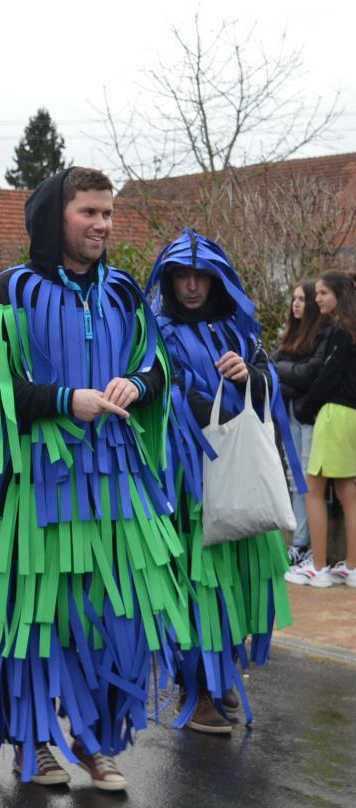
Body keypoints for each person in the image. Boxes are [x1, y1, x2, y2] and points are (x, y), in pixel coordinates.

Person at [0, 167, 188, 790]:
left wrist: (139, 384)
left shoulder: (125, 292)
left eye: (108, 213)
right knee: (38, 618)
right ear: (57, 215)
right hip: (41, 487)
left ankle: (95, 742)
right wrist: (65, 400)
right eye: (89, 212)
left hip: (117, 481)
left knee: (118, 615)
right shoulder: (12, 290)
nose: (102, 225)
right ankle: (34, 744)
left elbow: (157, 367)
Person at [146, 229, 297, 732]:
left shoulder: (240, 330)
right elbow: (156, 392)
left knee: (238, 580)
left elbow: (268, 381)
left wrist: (248, 376)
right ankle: (197, 689)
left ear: (216, 279)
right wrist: (198, 415)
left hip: (240, 476)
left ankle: (221, 670)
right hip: (190, 481)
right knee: (199, 584)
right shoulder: (155, 331)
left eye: (201, 276)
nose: (192, 286)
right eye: (182, 277)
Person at [288, 271, 356, 588]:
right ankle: (352, 567)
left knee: (313, 489)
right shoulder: (351, 330)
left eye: (323, 293)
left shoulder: (340, 331)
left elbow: (327, 376)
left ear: (339, 295)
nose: (317, 299)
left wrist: (305, 408)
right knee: (347, 492)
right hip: (351, 415)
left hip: (333, 414)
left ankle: (317, 566)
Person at [273, 281, 328, 566]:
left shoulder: (320, 335)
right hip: (289, 413)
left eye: (301, 299)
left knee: (309, 480)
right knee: (295, 480)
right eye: (293, 298)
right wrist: (290, 378)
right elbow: (275, 371)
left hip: (309, 415)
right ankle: (298, 543)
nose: (296, 304)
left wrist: (287, 375)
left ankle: (305, 545)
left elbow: (309, 376)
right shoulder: (286, 337)